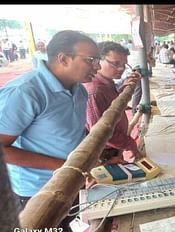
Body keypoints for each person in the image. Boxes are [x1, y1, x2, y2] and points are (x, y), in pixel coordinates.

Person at [0, 30, 101, 231]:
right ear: (63, 59)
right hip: (36, 192)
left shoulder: (79, 90)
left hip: (71, 181)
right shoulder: (25, 92)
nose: (97, 66)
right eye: (91, 60)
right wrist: (62, 166)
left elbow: (72, 130)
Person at [84, 41, 143, 164]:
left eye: (124, 64)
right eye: (115, 64)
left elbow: (110, 105)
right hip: (104, 154)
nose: (121, 68)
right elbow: (100, 134)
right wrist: (130, 143)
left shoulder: (107, 83)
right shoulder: (95, 91)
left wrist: (121, 90)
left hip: (113, 148)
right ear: (98, 61)